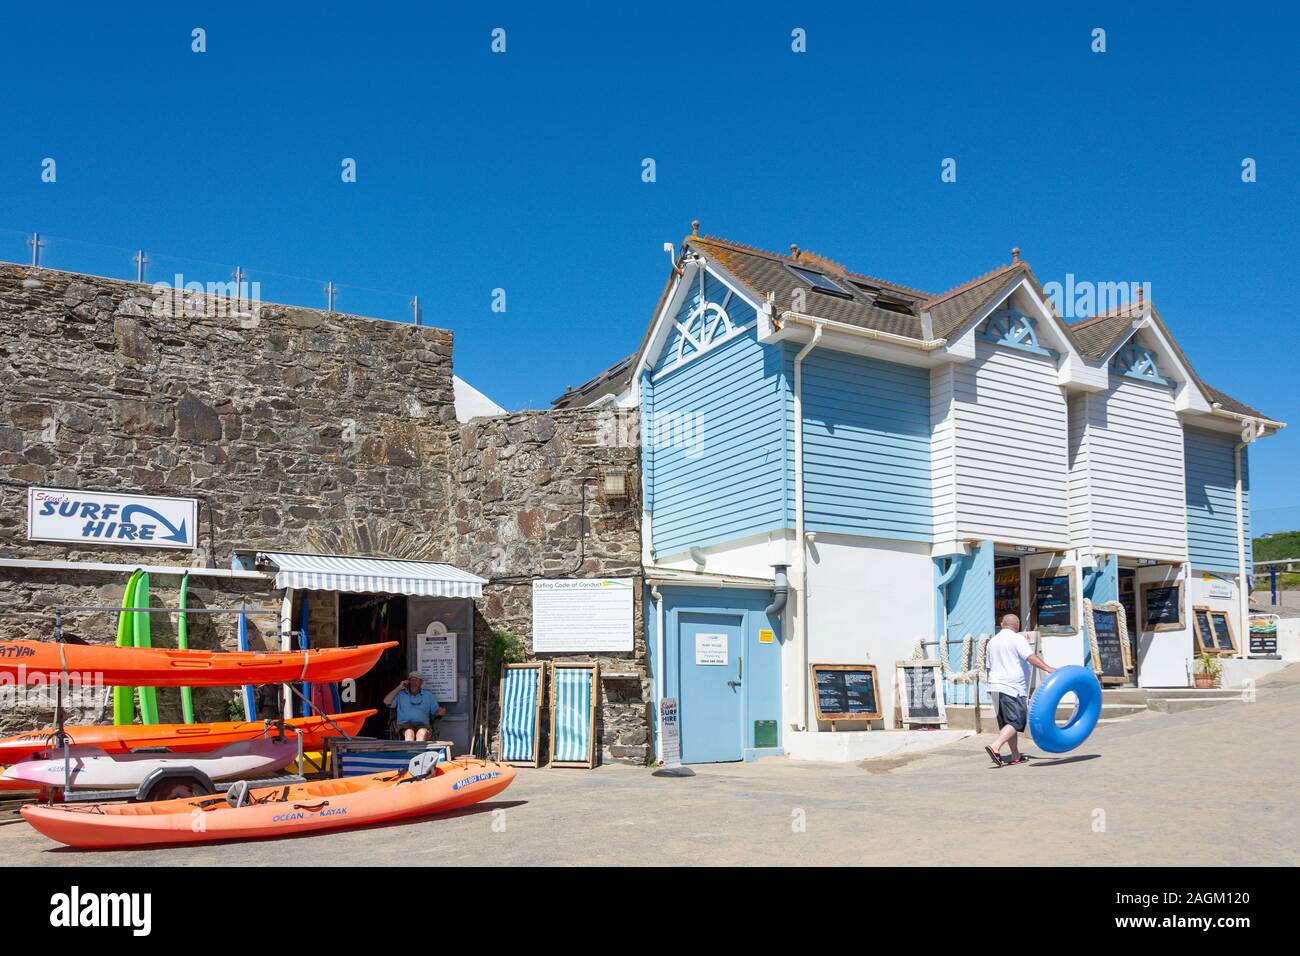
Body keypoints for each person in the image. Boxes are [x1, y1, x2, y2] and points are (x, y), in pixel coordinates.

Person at [983, 614, 1054, 767]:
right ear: (1018, 626)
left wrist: (990, 685)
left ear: (1002, 624)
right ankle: (995, 746)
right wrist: (1048, 668)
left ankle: (1015, 755)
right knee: (1017, 721)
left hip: (995, 686)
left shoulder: (992, 642)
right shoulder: (1017, 639)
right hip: (1012, 687)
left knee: (1008, 724)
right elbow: (1030, 657)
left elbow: (988, 667)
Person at [383, 672, 445, 741]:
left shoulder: (427, 695)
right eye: (411, 680)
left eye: (416, 680)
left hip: (422, 725)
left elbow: (436, 712)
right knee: (409, 732)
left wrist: (440, 712)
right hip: (404, 725)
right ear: (408, 682)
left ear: (421, 682)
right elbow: (386, 701)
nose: (413, 683)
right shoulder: (401, 694)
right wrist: (399, 687)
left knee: (422, 733)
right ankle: (411, 751)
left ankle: (417, 751)